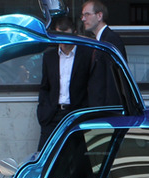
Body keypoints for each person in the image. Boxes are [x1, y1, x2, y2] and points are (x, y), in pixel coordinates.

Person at [37, 16, 93, 150]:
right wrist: (43, 112)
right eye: (59, 36)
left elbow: (91, 86)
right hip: (53, 114)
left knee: (76, 157)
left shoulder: (86, 55)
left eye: (66, 36)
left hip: (76, 114)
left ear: (74, 33)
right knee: (45, 156)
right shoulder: (50, 56)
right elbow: (45, 86)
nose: (63, 41)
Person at [81, 0, 128, 107]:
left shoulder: (111, 40)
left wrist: (109, 110)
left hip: (107, 110)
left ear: (99, 16)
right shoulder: (99, 40)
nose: (83, 19)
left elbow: (114, 81)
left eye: (87, 14)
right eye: (83, 15)